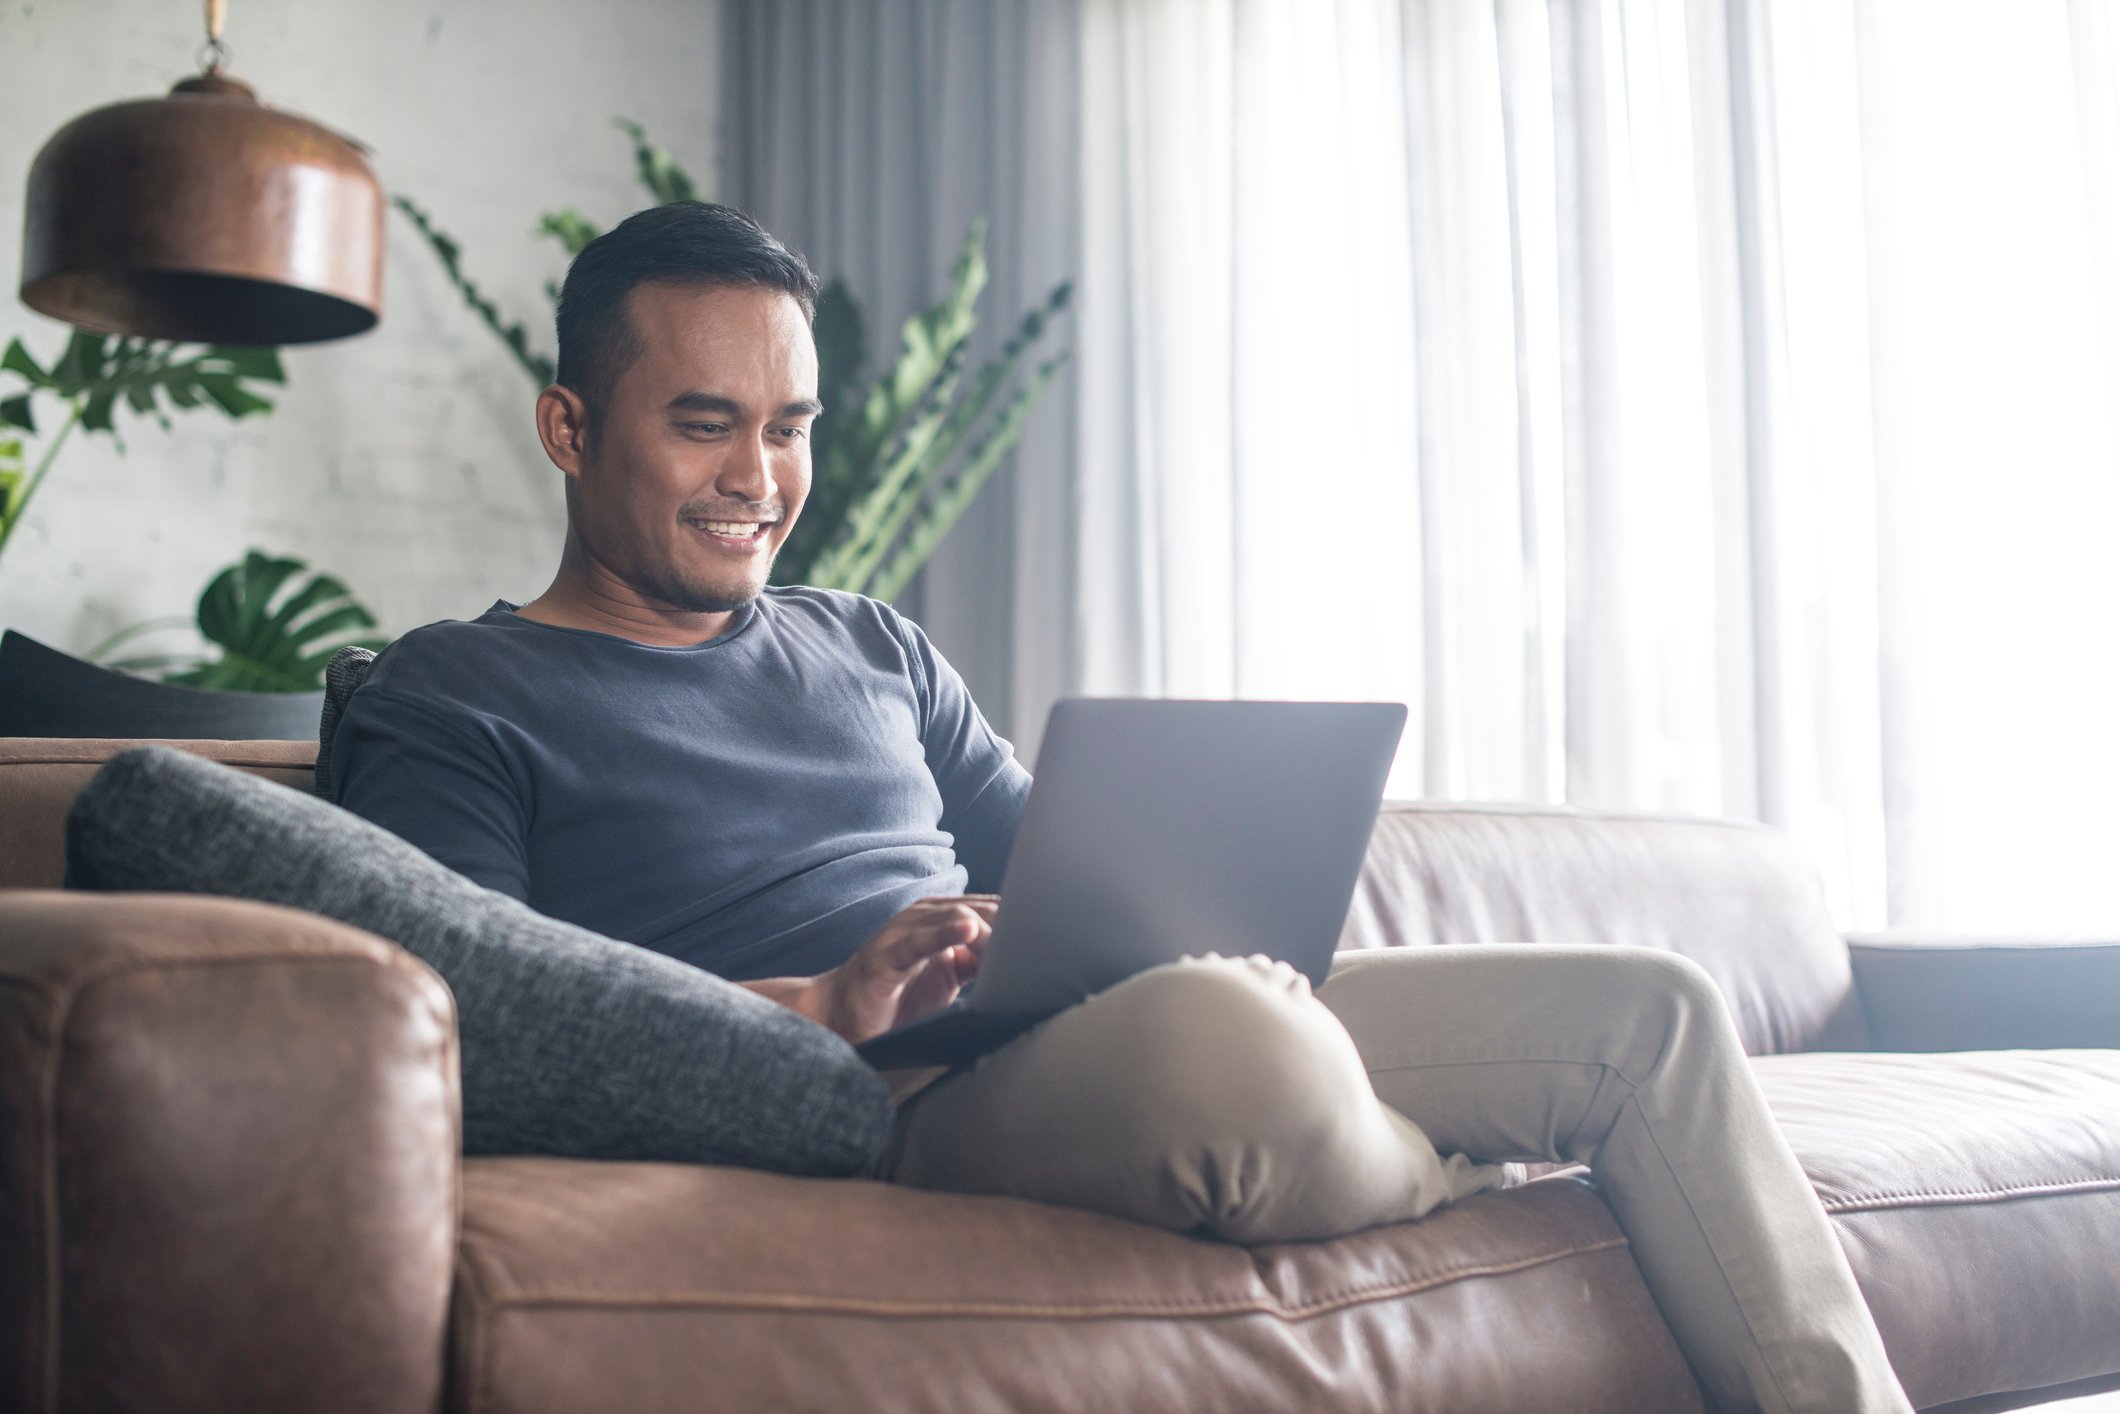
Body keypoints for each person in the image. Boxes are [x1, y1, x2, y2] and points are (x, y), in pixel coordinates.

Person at [332, 201, 1912, 1414]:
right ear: (567, 426)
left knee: (1649, 1013)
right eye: (704, 421)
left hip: (1081, 1027)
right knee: (1240, 1044)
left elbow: (1078, 872)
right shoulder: (452, 694)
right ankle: (1458, 1157)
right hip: (871, 1096)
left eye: (792, 423)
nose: (761, 473)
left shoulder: (869, 641)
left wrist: (1166, 904)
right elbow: (474, 1027)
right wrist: (820, 1001)